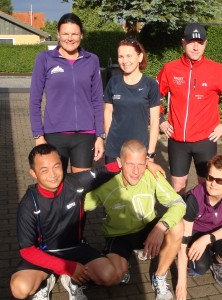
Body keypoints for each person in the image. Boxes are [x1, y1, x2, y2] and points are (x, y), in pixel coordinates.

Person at [10, 144, 164, 300]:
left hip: (75, 247)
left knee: (111, 276)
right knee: (20, 288)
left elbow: (109, 169)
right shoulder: (28, 204)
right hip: (46, 252)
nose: (52, 174)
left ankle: (70, 280)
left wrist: (147, 163)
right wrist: (68, 267)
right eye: (44, 170)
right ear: (33, 173)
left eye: (56, 166)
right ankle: (47, 281)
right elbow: (27, 250)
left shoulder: (75, 183)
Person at [84, 140, 186, 300]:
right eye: (130, 164)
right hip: (119, 235)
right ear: (119, 162)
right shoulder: (106, 184)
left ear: (147, 162)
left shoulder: (152, 175)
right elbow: (78, 207)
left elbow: (178, 203)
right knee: (113, 276)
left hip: (147, 230)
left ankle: (159, 276)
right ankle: (119, 260)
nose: (136, 171)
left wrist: (161, 227)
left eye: (140, 164)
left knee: (178, 226)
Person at [156, 22, 222, 194]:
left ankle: (202, 221)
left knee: (207, 187)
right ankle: (180, 220)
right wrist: (160, 119)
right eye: (191, 42)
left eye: (200, 42)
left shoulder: (217, 70)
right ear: (183, 42)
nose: (196, 47)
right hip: (177, 141)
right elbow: (152, 96)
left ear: (205, 44)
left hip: (206, 141)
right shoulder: (170, 69)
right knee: (178, 187)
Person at [30, 13, 105, 173]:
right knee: (57, 186)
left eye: (74, 34)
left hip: (85, 136)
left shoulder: (92, 60)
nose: (69, 38)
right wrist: (38, 136)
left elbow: (98, 100)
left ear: (81, 35)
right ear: (58, 34)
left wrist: (100, 136)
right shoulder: (44, 58)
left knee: (80, 188)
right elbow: (34, 101)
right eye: (65, 33)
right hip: (54, 135)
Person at [176, 154, 222, 300]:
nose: (213, 184)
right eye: (210, 178)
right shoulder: (193, 200)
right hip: (195, 232)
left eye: (220, 180)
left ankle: (217, 262)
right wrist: (182, 284)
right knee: (198, 269)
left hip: (217, 232)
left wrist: (206, 239)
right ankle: (202, 258)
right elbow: (182, 243)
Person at [104, 38, 161, 163]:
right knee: (113, 182)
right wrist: (109, 140)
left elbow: (155, 121)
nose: (125, 61)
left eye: (129, 56)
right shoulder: (113, 82)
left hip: (139, 151)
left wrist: (150, 153)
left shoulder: (150, 85)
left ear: (140, 57)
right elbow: (108, 112)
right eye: (121, 56)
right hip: (114, 150)